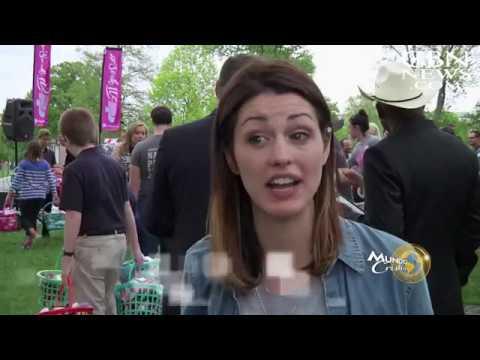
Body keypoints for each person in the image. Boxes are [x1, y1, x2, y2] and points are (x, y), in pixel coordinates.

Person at [181, 60, 433, 315]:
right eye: (257, 138)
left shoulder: (397, 265)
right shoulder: (202, 265)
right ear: (231, 157)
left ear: (325, 147)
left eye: (298, 134)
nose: (280, 156)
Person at [356, 61, 480, 314]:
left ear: (381, 111)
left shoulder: (381, 156)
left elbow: (386, 236)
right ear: (422, 105)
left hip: (404, 293)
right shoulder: (463, 153)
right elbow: (474, 224)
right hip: (448, 289)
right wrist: (454, 269)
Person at [146, 54, 257, 314]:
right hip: (249, 271)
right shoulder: (270, 143)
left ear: (218, 88)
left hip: (182, 267)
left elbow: (155, 220)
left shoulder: (177, 140)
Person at [58, 108, 144, 315]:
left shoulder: (74, 170)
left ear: (65, 139)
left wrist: (67, 256)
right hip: (117, 244)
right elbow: (127, 209)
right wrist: (136, 248)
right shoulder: (114, 165)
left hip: (91, 247)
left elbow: (73, 216)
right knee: (108, 301)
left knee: (91, 306)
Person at [129, 106, 173, 256]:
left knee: (148, 255)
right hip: (173, 208)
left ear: (153, 121)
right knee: (173, 258)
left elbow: (134, 186)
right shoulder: (180, 144)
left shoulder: (140, 147)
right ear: (171, 121)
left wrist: (132, 214)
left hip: (146, 208)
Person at [4, 141, 58, 249]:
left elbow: (16, 181)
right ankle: (27, 244)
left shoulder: (24, 164)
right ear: (40, 151)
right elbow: (52, 180)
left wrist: (9, 196)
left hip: (26, 196)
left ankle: (33, 233)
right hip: (40, 197)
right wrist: (55, 193)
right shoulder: (45, 164)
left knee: (23, 218)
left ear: (29, 150)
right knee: (32, 219)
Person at [347, 109, 380, 174]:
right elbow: (349, 165)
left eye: (350, 128)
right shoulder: (357, 146)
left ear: (356, 127)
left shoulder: (375, 142)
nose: (349, 131)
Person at [38, 128, 57, 238]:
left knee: (47, 208)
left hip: (48, 184)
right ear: (38, 139)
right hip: (37, 185)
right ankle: (33, 230)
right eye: (43, 139)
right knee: (37, 208)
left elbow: (53, 167)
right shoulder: (33, 152)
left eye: (47, 139)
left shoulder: (51, 153)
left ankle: (46, 230)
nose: (46, 142)